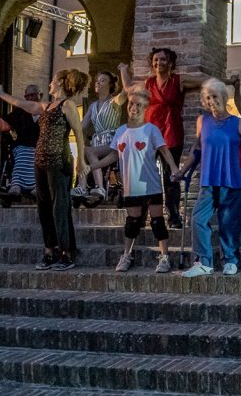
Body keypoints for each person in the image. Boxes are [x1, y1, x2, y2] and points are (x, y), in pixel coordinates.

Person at [0, 69, 90, 271]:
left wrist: (81, 161)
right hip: (40, 163)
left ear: (61, 83)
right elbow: (22, 104)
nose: (50, 83)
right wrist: (1, 94)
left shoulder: (67, 105)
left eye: (53, 80)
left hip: (59, 161)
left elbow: (78, 133)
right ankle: (50, 250)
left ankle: (67, 253)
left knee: (59, 207)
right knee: (43, 208)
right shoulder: (45, 106)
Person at [178, 79, 241, 277]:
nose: (211, 101)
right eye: (207, 98)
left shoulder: (238, 123)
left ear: (223, 97)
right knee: (197, 219)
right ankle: (203, 262)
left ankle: (230, 260)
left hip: (232, 180)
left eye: (214, 96)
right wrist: (181, 171)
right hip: (208, 181)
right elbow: (197, 149)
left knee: (229, 223)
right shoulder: (202, 121)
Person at [89, 85, 178, 273]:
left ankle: (164, 257)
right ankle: (126, 255)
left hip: (151, 184)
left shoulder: (151, 130)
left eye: (138, 105)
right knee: (132, 222)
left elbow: (164, 150)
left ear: (145, 107)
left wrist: (174, 168)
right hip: (131, 186)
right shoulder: (121, 131)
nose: (133, 108)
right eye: (131, 104)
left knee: (157, 221)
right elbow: (114, 155)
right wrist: (92, 166)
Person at [119, 49, 211, 229]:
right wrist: (123, 70)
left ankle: (174, 215)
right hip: (149, 134)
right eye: (155, 60)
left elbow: (204, 81)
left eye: (162, 59)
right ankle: (142, 215)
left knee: (171, 177)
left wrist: (227, 82)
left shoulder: (178, 81)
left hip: (171, 132)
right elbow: (129, 89)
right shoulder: (148, 83)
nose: (158, 63)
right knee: (144, 175)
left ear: (170, 63)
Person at [0, 84, 41, 197]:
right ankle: (16, 184)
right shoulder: (20, 112)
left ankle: (37, 186)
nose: (30, 98)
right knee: (23, 154)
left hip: (41, 146)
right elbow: (3, 124)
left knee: (40, 157)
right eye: (27, 96)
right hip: (23, 145)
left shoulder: (46, 110)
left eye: (33, 95)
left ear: (40, 95)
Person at [74, 71, 125, 200]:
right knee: (83, 150)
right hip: (97, 144)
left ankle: (99, 187)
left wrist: (124, 71)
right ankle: (82, 187)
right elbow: (81, 127)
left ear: (110, 84)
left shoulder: (114, 101)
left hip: (111, 143)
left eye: (102, 80)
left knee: (88, 151)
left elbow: (126, 91)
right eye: (97, 80)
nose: (97, 82)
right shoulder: (92, 106)